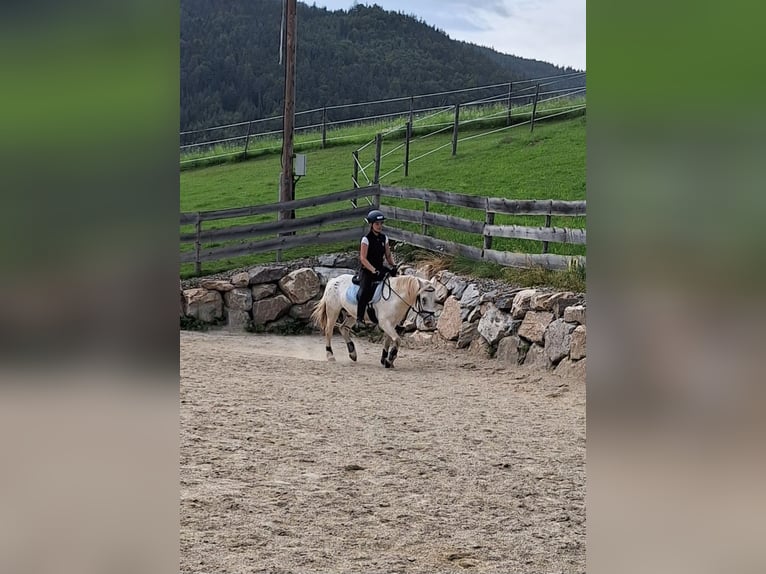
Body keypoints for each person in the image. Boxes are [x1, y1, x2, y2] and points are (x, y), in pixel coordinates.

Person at [354, 209, 396, 330]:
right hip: (367, 270)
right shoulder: (366, 239)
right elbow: (363, 258)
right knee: (365, 290)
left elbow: (388, 255)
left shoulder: (384, 238)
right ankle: (359, 319)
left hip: (380, 268)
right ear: (371, 225)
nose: (379, 226)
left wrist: (393, 266)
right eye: (377, 224)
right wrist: (373, 270)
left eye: (381, 224)